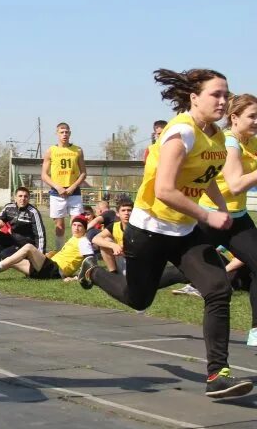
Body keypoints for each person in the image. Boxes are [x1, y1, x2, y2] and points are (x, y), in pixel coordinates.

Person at [78, 68, 252, 399]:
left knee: (217, 288)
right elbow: (165, 190)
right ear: (194, 98)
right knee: (138, 299)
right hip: (149, 231)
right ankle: (92, 270)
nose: (223, 100)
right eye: (216, 94)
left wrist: (221, 208)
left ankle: (218, 374)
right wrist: (207, 215)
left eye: (226, 94)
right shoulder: (180, 133)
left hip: (185, 232)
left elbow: (209, 177)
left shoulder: (215, 135)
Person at [196, 94, 257, 348]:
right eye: (252, 116)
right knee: (182, 271)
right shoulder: (230, 143)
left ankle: (255, 331)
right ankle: (148, 280)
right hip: (211, 218)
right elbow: (234, 185)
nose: (256, 121)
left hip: (238, 220)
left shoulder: (252, 141)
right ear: (234, 118)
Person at [0, 214, 93, 281]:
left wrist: (76, 278)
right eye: (74, 225)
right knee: (9, 258)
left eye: (79, 226)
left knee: (28, 247)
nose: (76, 228)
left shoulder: (84, 241)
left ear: (85, 228)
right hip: (47, 268)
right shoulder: (74, 238)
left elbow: (90, 262)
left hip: (55, 271)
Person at [41, 122, 86, 250]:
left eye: (66, 132)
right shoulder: (51, 151)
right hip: (57, 193)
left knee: (77, 224)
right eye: (61, 132)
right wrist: (58, 187)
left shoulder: (77, 150)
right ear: (57, 134)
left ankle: (76, 253)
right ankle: (59, 252)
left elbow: (83, 173)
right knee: (59, 226)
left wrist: (72, 187)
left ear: (70, 133)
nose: (64, 134)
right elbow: (44, 175)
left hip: (74, 192)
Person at [0, 186, 46, 262]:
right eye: (20, 196)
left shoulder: (33, 212)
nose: (23, 199)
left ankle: (27, 256)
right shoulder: (8, 207)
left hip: (26, 244)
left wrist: (40, 255)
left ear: (28, 199)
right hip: (12, 239)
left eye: (26, 196)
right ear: (15, 198)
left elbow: (40, 235)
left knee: (4, 255)